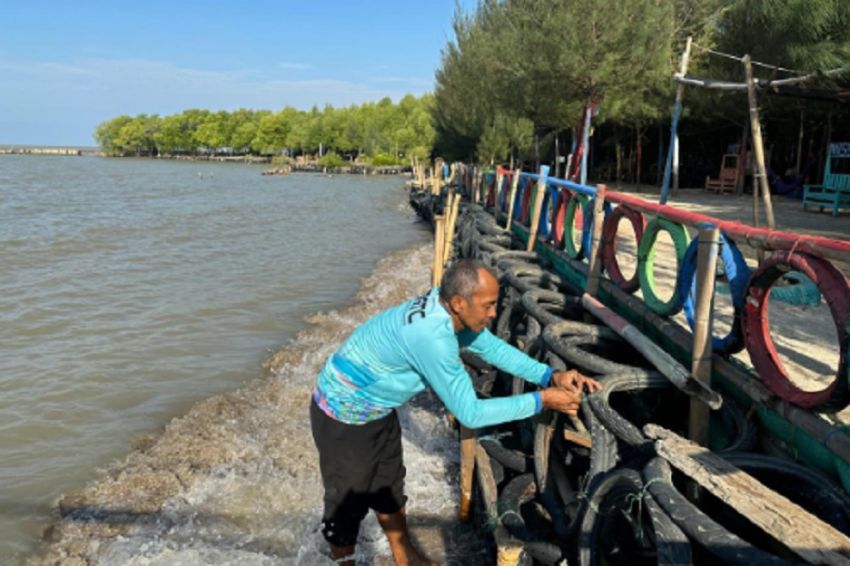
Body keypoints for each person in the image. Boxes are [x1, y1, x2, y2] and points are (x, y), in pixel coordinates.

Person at [310, 259, 600, 565]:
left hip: (379, 406)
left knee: (390, 485)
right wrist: (542, 400)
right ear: (459, 303)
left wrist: (548, 376)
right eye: (488, 306)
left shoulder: (446, 306)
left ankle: (404, 555)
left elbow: (491, 348)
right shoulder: (432, 338)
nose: (492, 314)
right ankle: (344, 562)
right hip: (342, 412)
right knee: (346, 504)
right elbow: (470, 414)